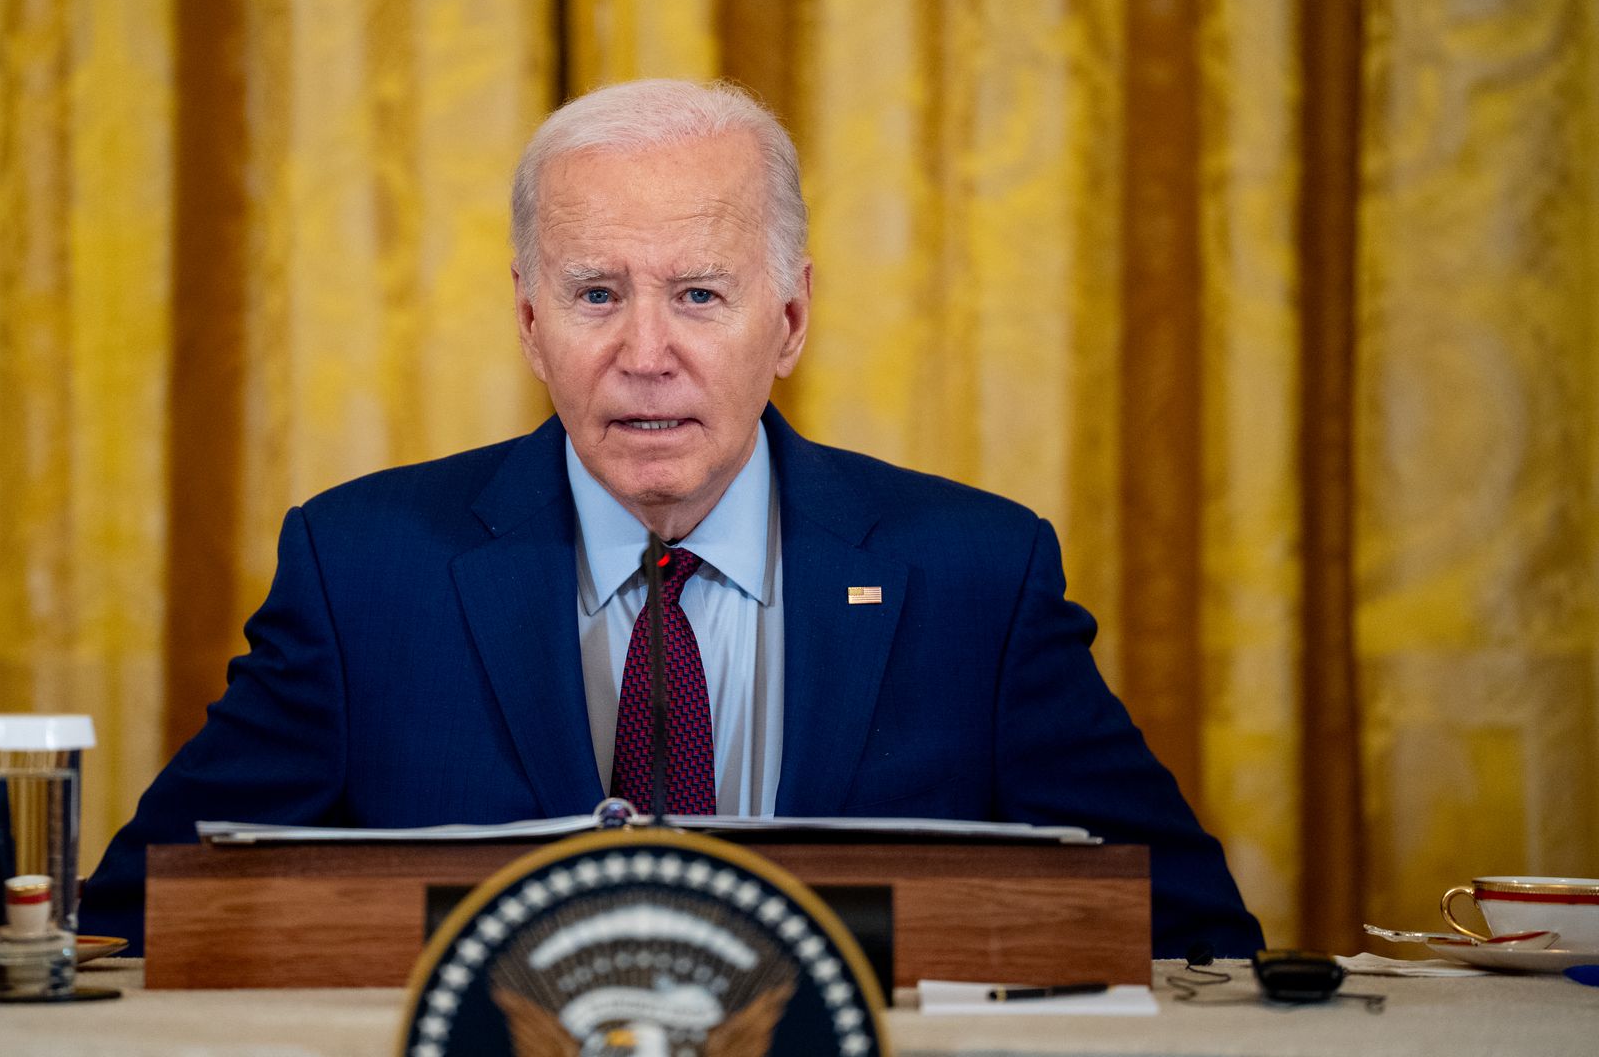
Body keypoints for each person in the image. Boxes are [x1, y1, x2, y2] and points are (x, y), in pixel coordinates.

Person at [80, 79, 1263, 958]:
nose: (646, 355)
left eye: (700, 295)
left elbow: (1192, 938)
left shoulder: (976, 575)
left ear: (790, 321)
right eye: (596, 295)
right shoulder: (363, 569)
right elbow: (143, 924)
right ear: (532, 325)